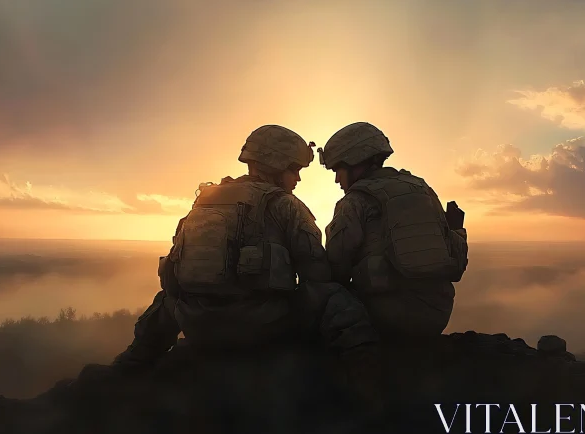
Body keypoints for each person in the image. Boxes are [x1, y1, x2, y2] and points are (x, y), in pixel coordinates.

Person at [111, 125, 379, 393]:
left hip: (198, 327)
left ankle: (131, 365)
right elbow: (318, 274)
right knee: (335, 298)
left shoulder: (205, 201)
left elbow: (173, 277)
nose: (297, 179)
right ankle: (367, 389)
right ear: (276, 164)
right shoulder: (286, 205)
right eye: (293, 169)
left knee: (166, 301)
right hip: (260, 328)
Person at [317, 122, 469, 341]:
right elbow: (456, 265)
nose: (337, 179)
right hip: (437, 315)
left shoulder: (355, 201)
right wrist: (458, 231)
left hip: (388, 318)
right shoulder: (422, 189)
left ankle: (359, 368)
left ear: (355, 162)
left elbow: (336, 268)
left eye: (338, 170)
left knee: (321, 295)